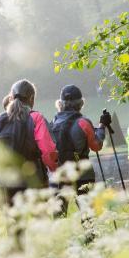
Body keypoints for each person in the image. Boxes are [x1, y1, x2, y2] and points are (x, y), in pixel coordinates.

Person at [50, 85, 111, 217]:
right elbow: (96, 146)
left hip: (61, 172)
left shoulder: (54, 122)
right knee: (88, 213)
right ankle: (91, 237)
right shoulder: (83, 122)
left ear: (60, 103)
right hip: (83, 173)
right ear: (81, 103)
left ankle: (58, 237)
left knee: (59, 213)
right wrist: (101, 127)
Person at [0, 80, 58, 201]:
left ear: (11, 97)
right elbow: (48, 151)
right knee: (38, 218)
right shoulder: (36, 118)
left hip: (5, 183)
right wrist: (54, 168)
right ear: (32, 98)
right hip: (33, 181)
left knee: (12, 219)